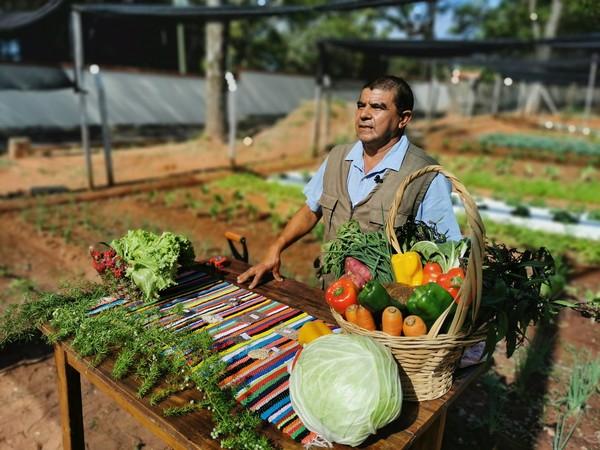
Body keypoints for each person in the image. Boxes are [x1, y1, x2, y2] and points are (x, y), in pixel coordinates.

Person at [237, 75, 461, 290]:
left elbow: (445, 252)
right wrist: (276, 248)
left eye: (378, 107)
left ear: (403, 118)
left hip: (385, 307)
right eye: (361, 105)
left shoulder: (425, 175)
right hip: (333, 291)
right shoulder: (338, 157)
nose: (364, 114)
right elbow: (311, 209)